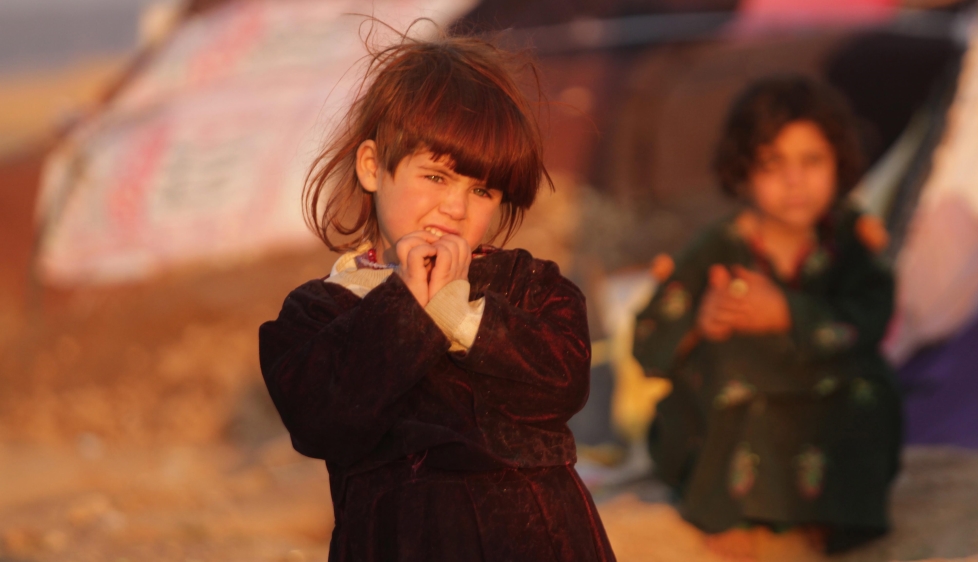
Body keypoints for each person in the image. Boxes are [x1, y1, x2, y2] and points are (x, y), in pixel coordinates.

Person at [259, 28, 616, 562]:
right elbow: (322, 420)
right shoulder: (321, 312)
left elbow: (564, 382)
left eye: (481, 190)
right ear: (372, 167)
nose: (455, 208)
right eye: (436, 176)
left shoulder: (528, 287)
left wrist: (461, 315)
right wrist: (408, 305)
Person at [632, 75, 902, 559]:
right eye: (773, 164)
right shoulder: (717, 248)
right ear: (740, 172)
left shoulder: (848, 241)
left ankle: (833, 510)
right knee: (732, 376)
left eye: (812, 161)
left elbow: (872, 315)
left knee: (871, 389)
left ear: (839, 163)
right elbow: (649, 336)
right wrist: (701, 323)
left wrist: (788, 313)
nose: (794, 180)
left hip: (819, 389)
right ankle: (726, 510)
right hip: (738, 392)